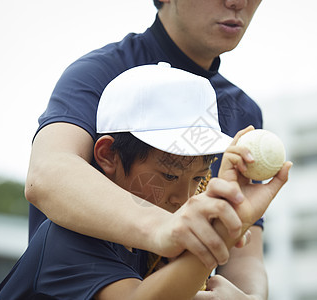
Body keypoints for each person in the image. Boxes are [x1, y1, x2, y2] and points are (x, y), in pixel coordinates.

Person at [26, 1, 268, 298]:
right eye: (169, 175)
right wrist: (170, 230)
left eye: (197, 178)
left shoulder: (242, 111)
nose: (237, 2)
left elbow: (244, 255)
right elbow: (47, 174)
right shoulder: (99, 73)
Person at [0, 64, 291, 300]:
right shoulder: (67, 237)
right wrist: (218, 237)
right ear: (107, 154)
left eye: (199, 179)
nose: (183, 198)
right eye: (170, 175)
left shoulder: (155, 248)